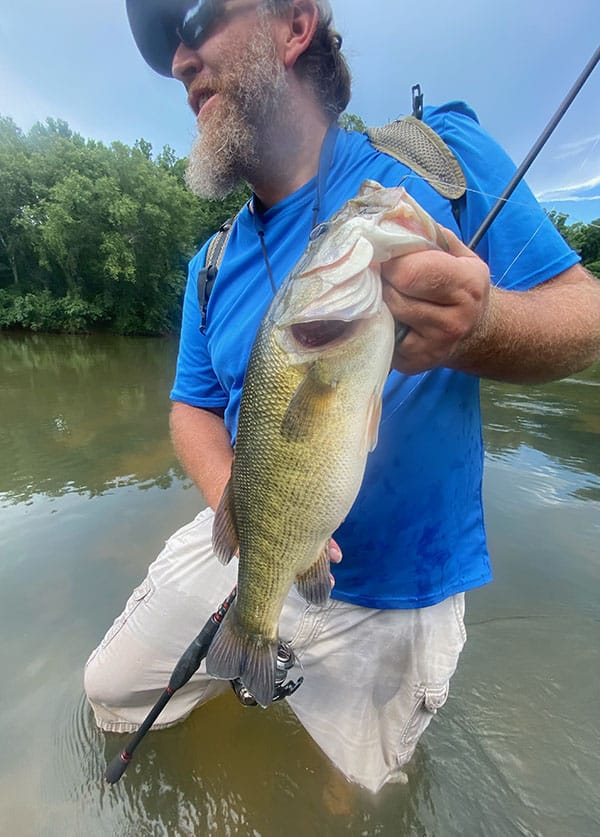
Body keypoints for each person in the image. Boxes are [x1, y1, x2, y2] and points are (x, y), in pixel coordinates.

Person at [84, 0, 600, 793]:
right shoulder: (210, 266)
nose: (179, 62)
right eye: (163, 51)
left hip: (397, 594)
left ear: (295, 24)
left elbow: (586, 314)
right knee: (111, 692)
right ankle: (250, 655)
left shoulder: (436, 162)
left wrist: (483, 323)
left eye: (191, 19)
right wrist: (242, 506)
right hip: (253, 537)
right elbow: (190, 408)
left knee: (344, 801)